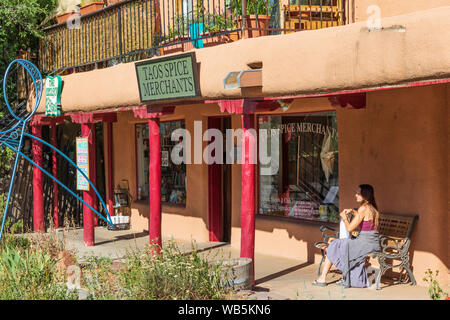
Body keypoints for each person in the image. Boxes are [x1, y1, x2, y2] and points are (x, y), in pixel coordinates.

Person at [312, 184, 381, 288]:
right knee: (333, 242)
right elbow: (362, 217)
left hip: (364, 243)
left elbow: (349, 228)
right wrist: (353, 211)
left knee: (334, 244)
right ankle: (329, 275)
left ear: (365, 195)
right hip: (370, 242)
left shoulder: (363, 208)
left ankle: (323, 278)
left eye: (358, 193)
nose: (356, 195)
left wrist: (344, 217)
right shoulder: (372, 207)